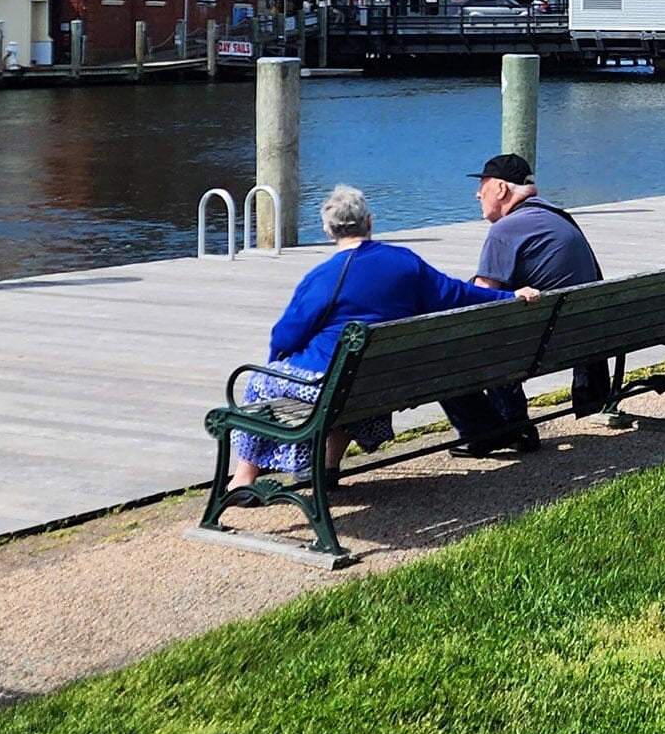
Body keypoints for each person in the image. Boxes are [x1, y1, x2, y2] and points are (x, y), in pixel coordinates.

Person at [228, 184, 539, 495]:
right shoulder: (405, 262)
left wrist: (276, 361)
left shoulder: (324, 276)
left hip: (327, 384)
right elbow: (456, 294)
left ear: (328, 230)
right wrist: (509, 295)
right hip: (382, 383)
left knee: (259, 381)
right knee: (349, 381)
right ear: (369, 222)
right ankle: (326, 466)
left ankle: (243, 478)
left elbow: (285, 335)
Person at [443, 153, 605, 457]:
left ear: (501, 189)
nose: (477, 194)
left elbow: (479, 301)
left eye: (482, 186)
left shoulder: (506, 229)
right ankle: (509, 425)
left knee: (448, 344)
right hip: (583, 336)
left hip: (540, 345)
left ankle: (501, 427)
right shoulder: (556, 216)